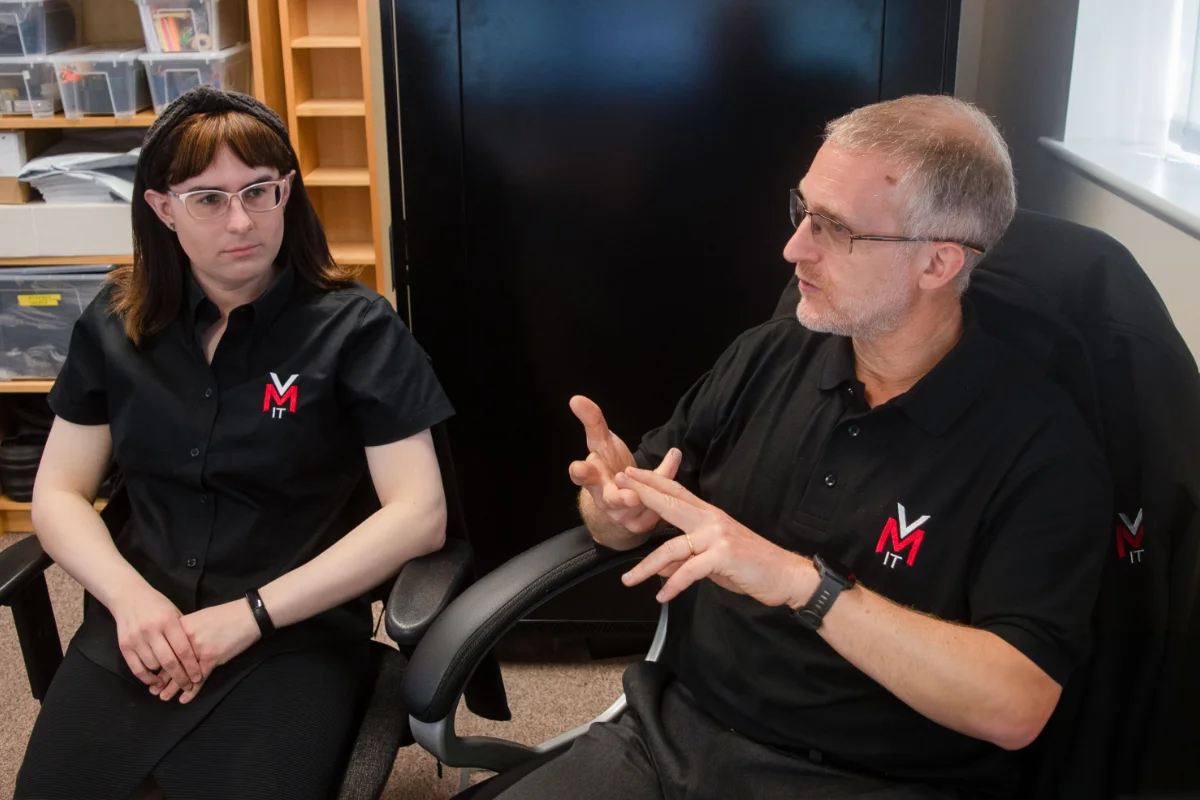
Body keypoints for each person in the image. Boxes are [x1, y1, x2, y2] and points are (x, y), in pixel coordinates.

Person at [492, 96, 1112, 799]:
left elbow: (1015, 706)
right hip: (671, 739)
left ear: (938, 262)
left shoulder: (1039, 447)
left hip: (868, 781)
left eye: (836, 228)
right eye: (803, 210)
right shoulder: (775, 351)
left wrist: (803, 585)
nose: (794, 248)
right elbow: (635, 498)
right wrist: (613, 504)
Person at [15, 86, 454, 799]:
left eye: (259, 191)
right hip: (140, 631)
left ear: (287, 193)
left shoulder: (356, 330)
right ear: (163, 209)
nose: (242, 219)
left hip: (291, 633)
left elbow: (419, 513)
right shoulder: (116, 322)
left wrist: (249, 616)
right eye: (208, 199)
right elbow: (59, 493)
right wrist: (131, 601)